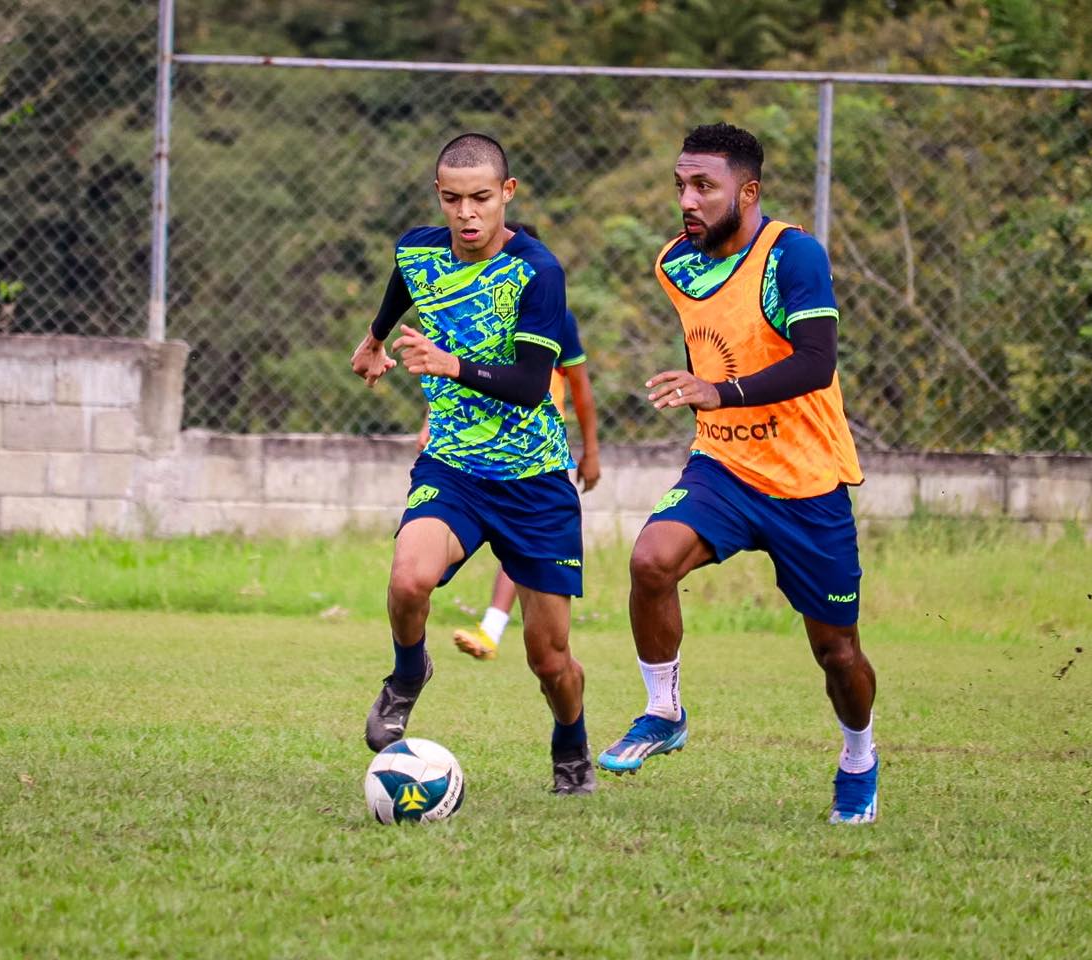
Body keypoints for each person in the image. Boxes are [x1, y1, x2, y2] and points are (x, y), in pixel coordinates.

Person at [596, 123, 878, 824]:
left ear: (746, 192)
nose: (686, 200)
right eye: (680, 186)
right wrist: (708, 399)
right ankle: (663, 712)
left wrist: (716, 391)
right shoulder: (675, 263)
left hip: (805, 481)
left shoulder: (792, 255)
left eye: (704, 187)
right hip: (721, 463)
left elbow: (816, 360)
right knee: (650, 560)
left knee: (837, 653)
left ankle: (857, 756)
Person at [350, 133, 595, 795]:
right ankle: (407, 674)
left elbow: (528, 381)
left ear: (506, 195)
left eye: (481, 198)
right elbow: (405, 281)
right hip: (453, 468)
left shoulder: (537, 271)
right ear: (439, 196)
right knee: (408, 581)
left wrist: (450, 364)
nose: (467, 213)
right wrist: (375, 337)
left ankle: (570, 744)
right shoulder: (418, 247)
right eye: (453, 199)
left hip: (534, 481)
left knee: (548, 660)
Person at [444, 223, 601, 660]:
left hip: (534, 450)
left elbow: (582, 390)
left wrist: (591, 450)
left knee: (522, 542)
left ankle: (492, 627)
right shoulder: (473, 306)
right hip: (474, 447)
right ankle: (490, 627)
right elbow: (454, 373)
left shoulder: (554, 313)